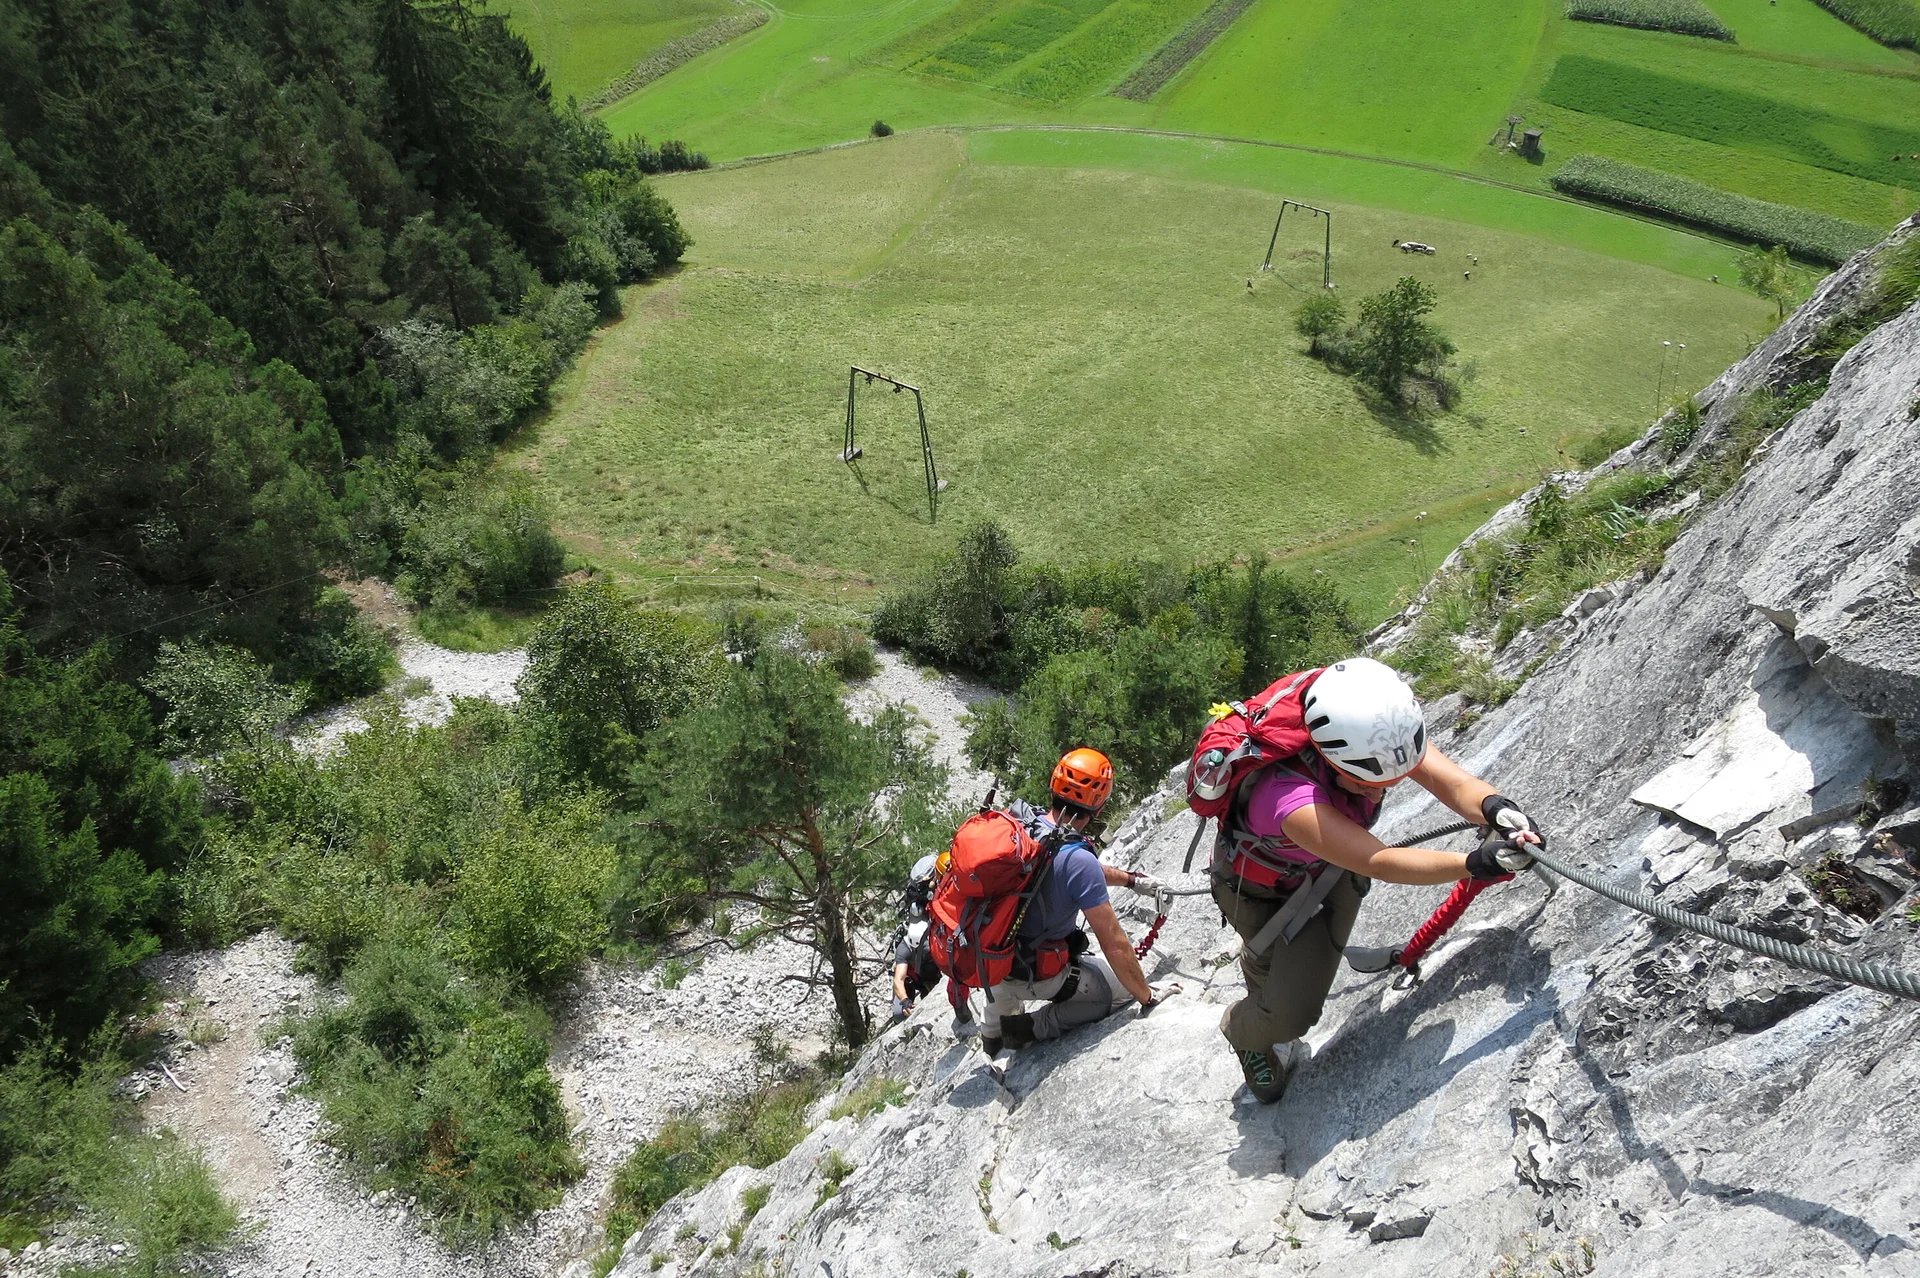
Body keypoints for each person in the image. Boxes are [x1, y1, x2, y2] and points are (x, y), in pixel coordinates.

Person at [1209, 657, 1542, 1103]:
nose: (1378, 791)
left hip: (1329, 871)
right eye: (1365, 782)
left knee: (1296, 978)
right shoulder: (1286, 797)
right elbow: (1380, 860)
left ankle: (1267, 974)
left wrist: (1497, 809)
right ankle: (1243, 1030)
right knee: (1292, 1019)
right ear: (1328, 755)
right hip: (1260, 891)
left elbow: (1456, 785)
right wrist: (1474, 863)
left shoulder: (1376, 734)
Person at [980, 748, 1173, 1057]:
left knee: (1000, 1000)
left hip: (991, 959)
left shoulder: (1021, 825)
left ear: (1054, 785)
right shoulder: (1077, 858)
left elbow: (1070, 869)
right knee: (1116, 995)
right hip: (1036, 971)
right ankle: (1032, 1027)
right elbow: (1115, 945)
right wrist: (1148, 995)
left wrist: (1130, 879)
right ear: (1098, 806)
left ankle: (991, 1038)